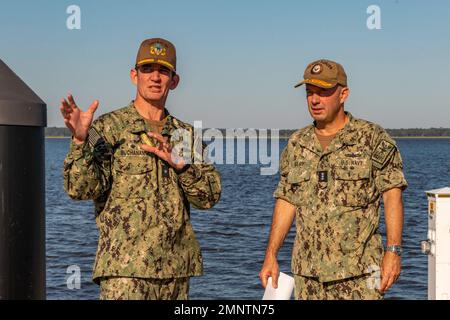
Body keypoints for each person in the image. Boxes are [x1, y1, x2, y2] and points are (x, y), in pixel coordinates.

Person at [61, 38, 221, 300]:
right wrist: (80, 141)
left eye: (163, 71)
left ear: (174, 80)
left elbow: (210, 197)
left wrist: (183, 168)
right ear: (134, 76)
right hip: (125, 271)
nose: (155, 77)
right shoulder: (108, 128)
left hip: (175, 271)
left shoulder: (186, 135)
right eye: (147, 69)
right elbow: (80, 189)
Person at [259, 59, 407, 300]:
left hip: (360, 275)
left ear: (343, 94)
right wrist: (271, 255)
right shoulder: (297, 144)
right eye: (310, 93)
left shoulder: (371, 138)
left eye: (324, 92)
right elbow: (287, 200)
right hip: (308, 276)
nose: (315, 100)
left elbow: (393, 195)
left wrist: (393, 251)